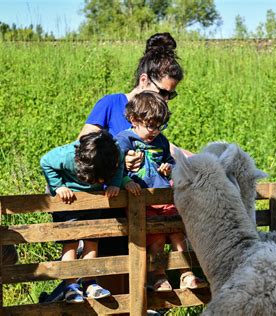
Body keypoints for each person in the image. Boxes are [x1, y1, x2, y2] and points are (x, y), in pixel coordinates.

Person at [77, 32, 188, 295]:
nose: (166, 99)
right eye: (163, 92)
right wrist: (116, 161)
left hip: (143, 214)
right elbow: (83, 146)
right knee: (112, 292)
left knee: (137, 295)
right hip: (111, 212)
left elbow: (167, 149)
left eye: (171, 96)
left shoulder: (154, 118)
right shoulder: (111, 104)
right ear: (143, 80)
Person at [115, 91, 206, 291]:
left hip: (164, 196)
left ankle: (186, 274)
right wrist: (125, 180)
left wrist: (169, 168)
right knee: (156, 238)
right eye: (151, 126)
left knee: (177, 232)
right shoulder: (124, 140)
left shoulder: (161, 141)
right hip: (143, 200)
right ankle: (158, 277)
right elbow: (115, 166)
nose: (155, 131)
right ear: (133, 119)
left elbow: (171, 161)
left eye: (160, 126)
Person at [40, 130, 123, 303]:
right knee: (70, 243)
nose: (99, 181)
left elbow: (120, 164)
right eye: (96, 178)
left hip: (94, 201)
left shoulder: (115, 154)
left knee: (93, 240)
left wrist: (114, 183)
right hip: (68, 202)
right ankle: (70, 286)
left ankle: (89, 283)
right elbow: (45, 161)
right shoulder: (67, 155)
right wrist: (59, 186)